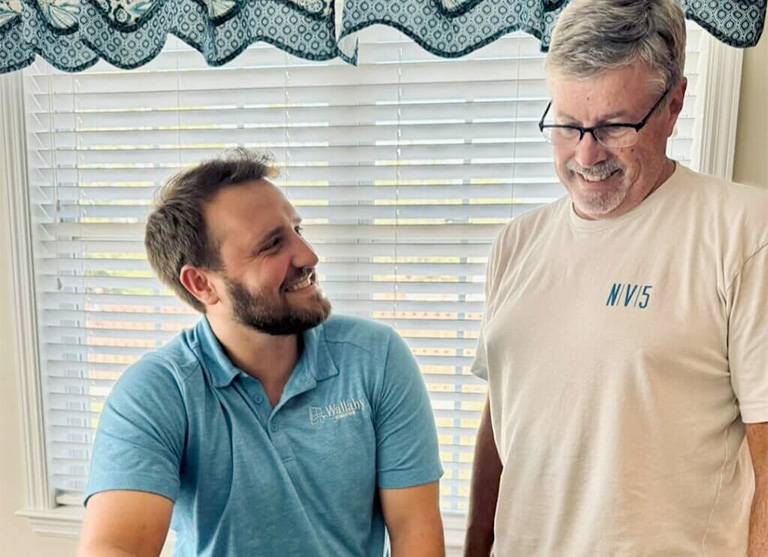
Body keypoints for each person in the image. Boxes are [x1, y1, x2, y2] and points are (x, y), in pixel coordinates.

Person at [464, 0, 768, 555]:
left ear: (674, 104)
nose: (585, 154)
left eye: (613, 127)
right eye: (567, 125)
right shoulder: (515, 244)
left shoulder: (744, 232)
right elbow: (503, 420)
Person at [78, 149, 445, 557]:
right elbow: (115, 546)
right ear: (201, 283)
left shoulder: (375, 358)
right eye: (272, 245)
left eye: (297, 230)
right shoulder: (157, 392)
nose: (308, 257)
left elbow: (416, 530)